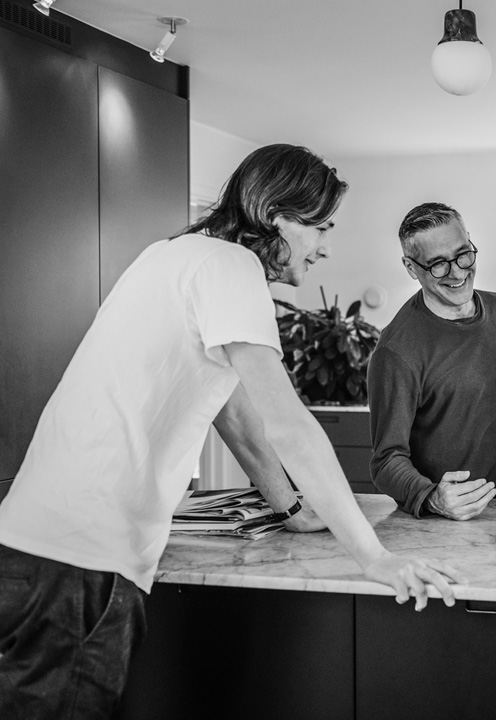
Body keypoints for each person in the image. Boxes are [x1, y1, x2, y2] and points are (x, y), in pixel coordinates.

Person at [0, 144, 460, 719]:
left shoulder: (174, 255)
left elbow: (233, 410)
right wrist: (372, 557)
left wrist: (291, 507)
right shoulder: (231, 266)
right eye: (319, 226)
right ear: (276, 217)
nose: (325, 246)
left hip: (27, 540)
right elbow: (287, 422)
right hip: (85, 558)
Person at [368, 202, 496, 520]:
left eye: (464, 254)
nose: (458, 272)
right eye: (438, 264)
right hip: (440, 521)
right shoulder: (397, 350)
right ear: (410, 267)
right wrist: (433, 497)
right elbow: (386, 460)